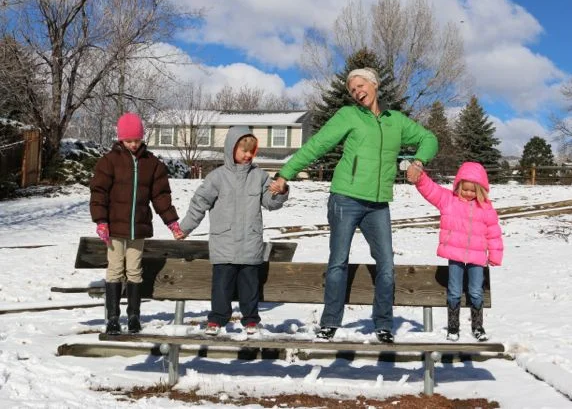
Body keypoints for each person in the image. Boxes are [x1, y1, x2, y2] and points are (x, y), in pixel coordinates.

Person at [269, 67, 438, 343]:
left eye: (361, 85)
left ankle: (383, 324)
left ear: (374, 84)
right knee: (338, 261)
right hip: (345, 198)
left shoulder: (395, 121)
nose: (357, 91)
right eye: (352, 89)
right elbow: (317, 145)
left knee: (386, 263)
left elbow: (429, 138)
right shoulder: (348, 115)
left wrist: (418, 162)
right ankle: (329, 323)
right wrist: (285, 173)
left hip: (378, 204)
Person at [179, 126, 289, 336]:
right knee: (222, 286)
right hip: (224, 244)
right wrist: (185, 227)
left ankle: (251, 320)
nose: (248, 155)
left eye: (251, 151)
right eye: (243, 150)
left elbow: (270, 203)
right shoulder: (217, 177)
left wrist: (280, 192)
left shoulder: (259, 176)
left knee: (250, 286)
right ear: (231, 149)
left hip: (250, 244)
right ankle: (217, 319)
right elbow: (199, 203)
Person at [90, 112, 184, 335]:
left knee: (134, 271)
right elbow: (99, 192)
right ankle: (113, 318)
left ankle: (134, 316)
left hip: (138, 228)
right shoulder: (109, 161)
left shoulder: (151, 164)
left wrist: (172, 222)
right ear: (121, 139)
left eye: (137, 140)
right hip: (114, 229)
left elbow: (160, 196)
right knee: (115, 270)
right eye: (128, 140)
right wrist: (101, 221)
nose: (133, 144)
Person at [408, 161, 503, 342]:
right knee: (454, 291)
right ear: (458, 186)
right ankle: (453, 326)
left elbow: (494, 233)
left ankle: (477, 326)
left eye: (473, 191)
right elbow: (431, 190)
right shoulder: (449, 200)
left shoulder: (486, 208)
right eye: (465, 189)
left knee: (476, 291)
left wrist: (495, 255)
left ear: (480, 190)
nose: (468, 193)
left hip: (477, 258)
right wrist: (420, 177)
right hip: (455, 256)